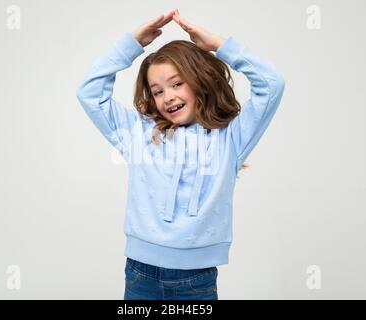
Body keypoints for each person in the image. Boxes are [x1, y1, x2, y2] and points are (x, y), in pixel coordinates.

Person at [76, 8, 285, 300]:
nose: (168, 96)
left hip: (197, 279)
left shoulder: (232, 137)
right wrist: (131, 45)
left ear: (201, 79)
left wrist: (218, 45)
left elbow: (272, 84)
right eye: (157, 91)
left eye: (177, 84)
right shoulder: (139, 133)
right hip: (140, 272)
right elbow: (89, 93)